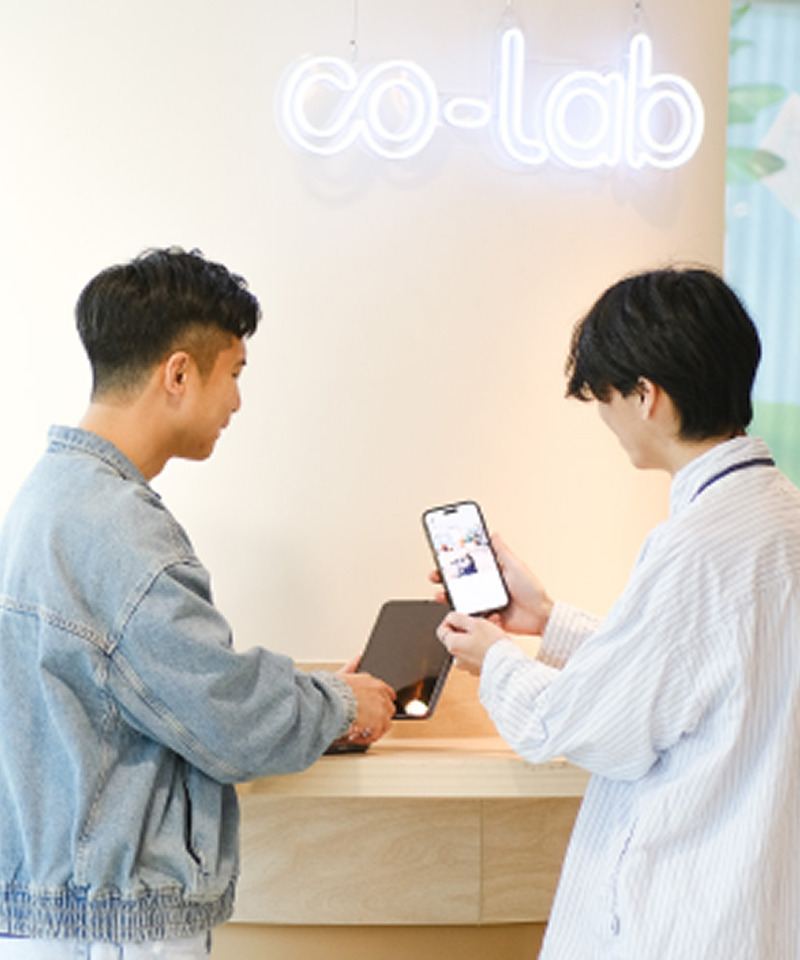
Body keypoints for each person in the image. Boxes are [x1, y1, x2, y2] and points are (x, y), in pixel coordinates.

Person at [0, 247, 396, 958]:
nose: (239, 402)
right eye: (236, 374)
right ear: (179, 373)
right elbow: (227, 715)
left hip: (59, 910)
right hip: (114, 929)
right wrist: (344, 704)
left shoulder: (46, 496)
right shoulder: (115, 525)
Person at [436, 267, 800, 959]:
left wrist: (494, 658)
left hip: (685, 913)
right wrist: (548, 620)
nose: (604, 419)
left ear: (645, 395)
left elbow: (586, 725)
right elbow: (705, 673)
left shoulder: (696, 544)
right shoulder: (782, 517)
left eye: (604, 397)